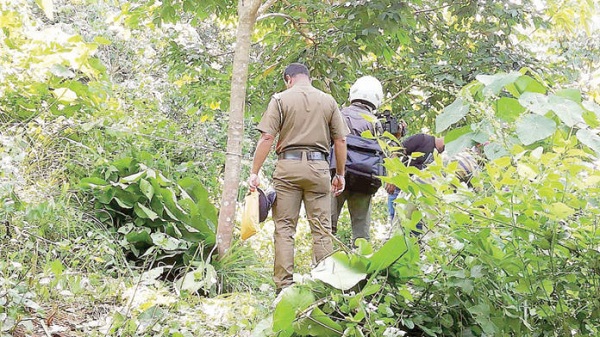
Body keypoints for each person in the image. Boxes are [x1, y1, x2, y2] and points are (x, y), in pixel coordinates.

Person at [247, 63, 349, 293]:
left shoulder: (280, 99)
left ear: (288, 79)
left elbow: (267, 137)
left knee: (284, 228)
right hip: (319, 168)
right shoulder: (328, 101)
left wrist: (254, 172)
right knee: (322, 230)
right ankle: (327, 288)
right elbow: (341, 141)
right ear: (308, 78)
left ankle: (284, 288)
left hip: (288, 167)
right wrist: (340, 174)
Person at [331, 76, 384, 244]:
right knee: (361, 233)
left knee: (327, 227)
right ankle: (362, 267)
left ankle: (321, 265)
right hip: (365, 180)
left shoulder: (340, 114)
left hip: (337, 175)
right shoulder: (376, 123)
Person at [385, 133, 445, 229]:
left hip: (422, 198)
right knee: (398, 228)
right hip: (400, 190)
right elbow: (395, 152)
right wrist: (392, 176)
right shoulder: (422, 139)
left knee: (418, 231)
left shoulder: (444, 155)